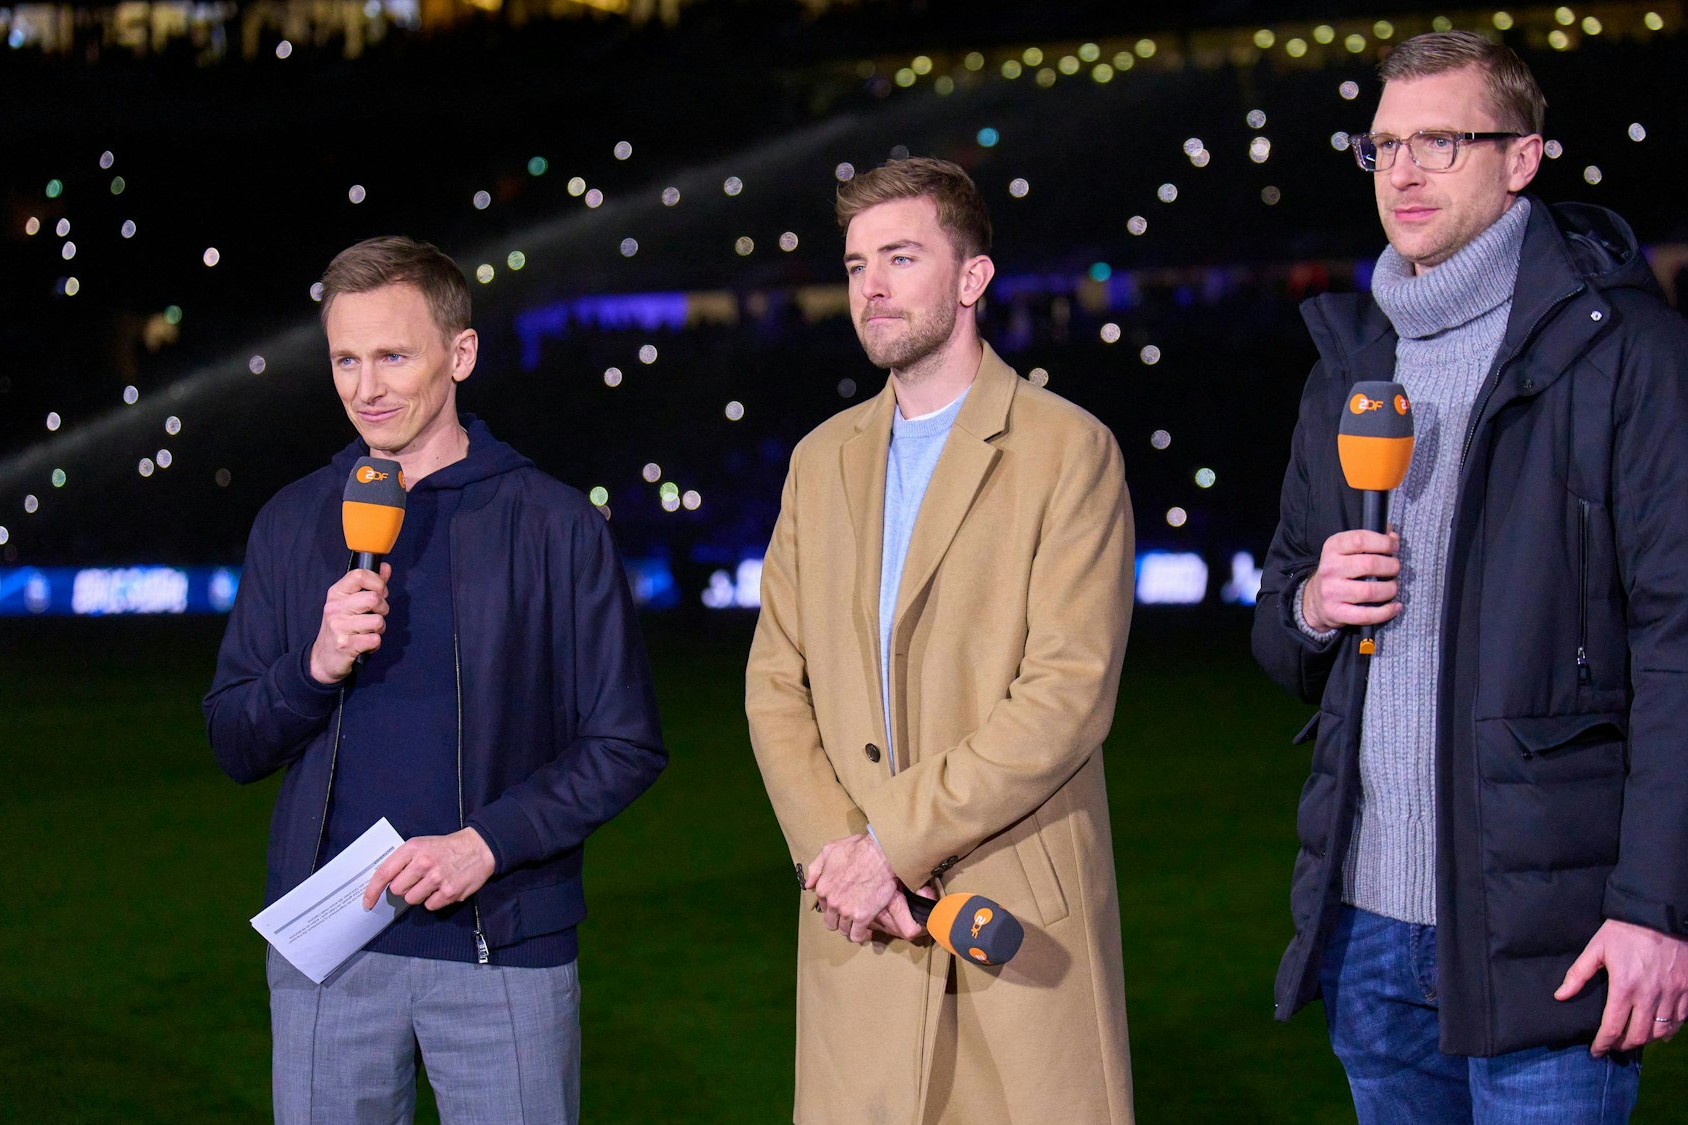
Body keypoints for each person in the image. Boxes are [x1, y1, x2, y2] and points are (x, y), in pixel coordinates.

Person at [1249, 32, 1688, 1123]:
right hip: (1365, 931)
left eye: (1439, 140)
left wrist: (1658, 911)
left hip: (1555, 939)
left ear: (1522, 158)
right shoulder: (1346, 363)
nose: (1402, 171)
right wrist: (1310, 604)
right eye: (1381, 144)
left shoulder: (1630, 354)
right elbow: (1277, 621)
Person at [203, 236, 664, 1124]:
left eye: (392, 355)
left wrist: (485, 843)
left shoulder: (555, 524)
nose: (365, 386)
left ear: (460, 354)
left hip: (504, 946)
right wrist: (312, 668)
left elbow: (624, 743)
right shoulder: (294, 519)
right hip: (329, 955)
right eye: (345, 358)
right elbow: (233, 736)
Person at [746, 157, 1137, 1124]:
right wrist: (842, 854)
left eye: (902, 256)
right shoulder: (819, 458)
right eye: (855, 264)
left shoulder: (1066, 448)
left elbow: (1066, 696)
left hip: (1016, 923)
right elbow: (773, 684)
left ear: (972, 278)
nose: (871, 285)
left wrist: (891, 840)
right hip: (860, 922)